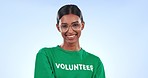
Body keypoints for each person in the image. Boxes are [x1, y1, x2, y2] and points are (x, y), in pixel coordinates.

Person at [34, 4, 105, 78]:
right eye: (64, 26)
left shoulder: (95, 62)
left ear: (82, 26)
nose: (70, 31)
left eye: (75, 25)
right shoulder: (46, 55)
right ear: (58, 28)